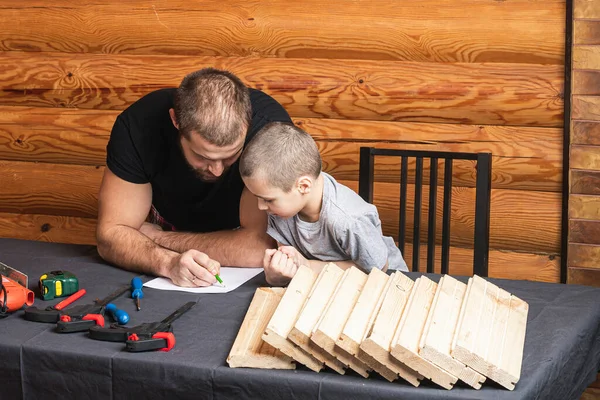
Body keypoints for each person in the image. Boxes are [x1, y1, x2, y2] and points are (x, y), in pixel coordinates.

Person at [96, 68, 292, 287]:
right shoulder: (139, 125)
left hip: (178, 235)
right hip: (169, 227)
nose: (217, 170)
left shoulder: (271, 132)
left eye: (230, 156)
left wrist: (158, 239)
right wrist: (168, 262)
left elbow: (260, 247)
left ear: (248, 124)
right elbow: (111, 235)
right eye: (202, 156)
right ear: (176, 121)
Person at [239, 122, 408, 286]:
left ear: (303, 186)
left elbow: (378, 270)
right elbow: (294, 272)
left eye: (267, 199)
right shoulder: (281, 209)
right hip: (326, 286)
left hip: (388, 285)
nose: (261, 207)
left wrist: (308, 266)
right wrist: (279, 276)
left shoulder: (347, 220)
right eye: (258, 198)